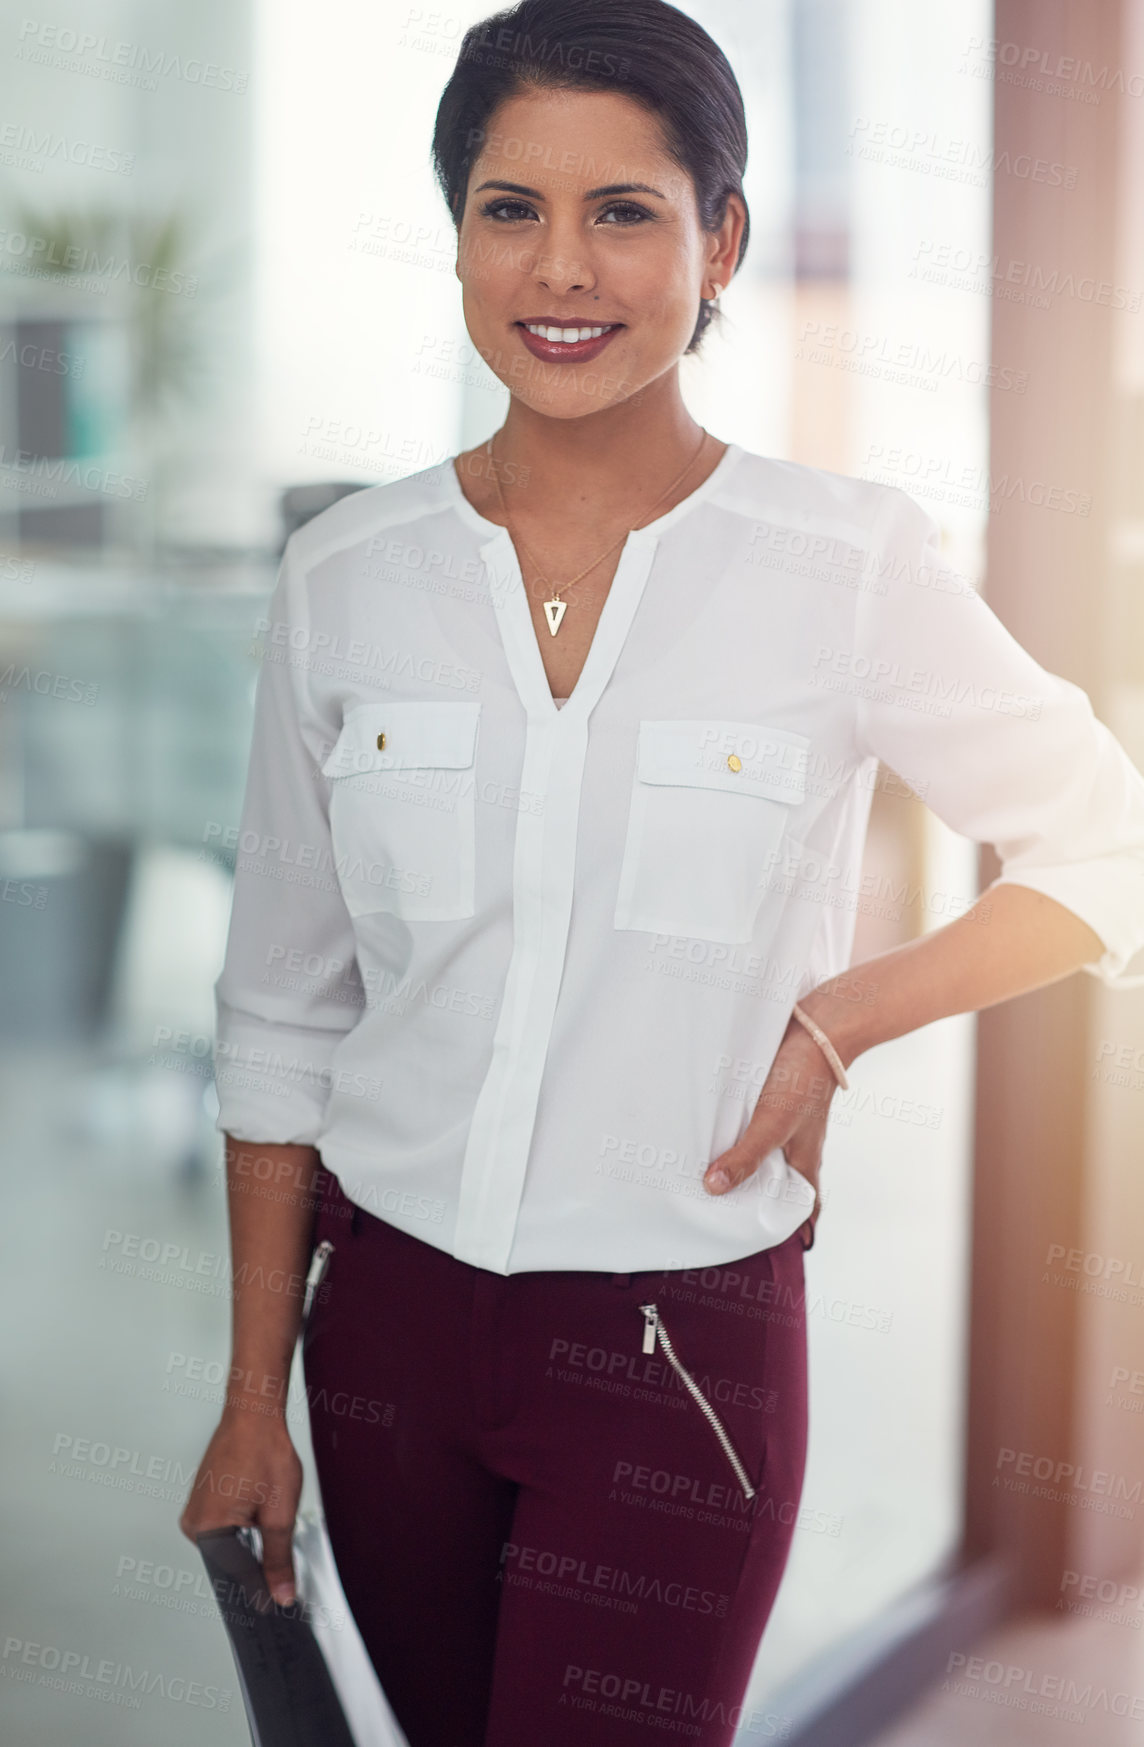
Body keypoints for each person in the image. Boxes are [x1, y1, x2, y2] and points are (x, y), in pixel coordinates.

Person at [179, 2, 1144, 1743]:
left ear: (722, 241)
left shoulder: (844, 567)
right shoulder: (347, 577)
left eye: (625, 210)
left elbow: (1108, 838)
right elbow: (276, 1010)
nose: (562, 268)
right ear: (457, 229)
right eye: (507, 207)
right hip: (383, 1336)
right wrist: (257, 1395)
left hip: (674, 1356)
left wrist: (849, 1014)